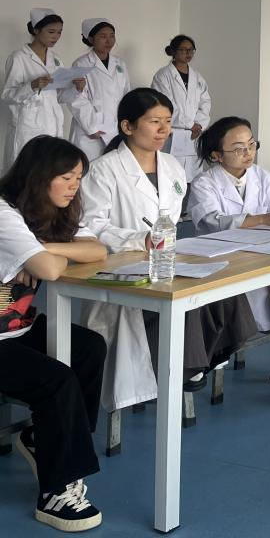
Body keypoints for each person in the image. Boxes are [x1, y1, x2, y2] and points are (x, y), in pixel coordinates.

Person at [78, 88, 256, 410]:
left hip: (165, 261)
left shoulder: (172, 166)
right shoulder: (104, 169)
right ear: (128, 126)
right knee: (182, 296)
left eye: (168, 121)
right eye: (154, 122)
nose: (164, 130)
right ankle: (187, 367)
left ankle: (202, 359)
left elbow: (171, 220)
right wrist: (140, 239)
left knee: (218, 284)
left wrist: (159, 243)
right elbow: (92, 227)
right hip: (120, 267)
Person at [0, 136, 108, 532]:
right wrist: (45, 256)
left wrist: (43, 247)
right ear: (39, 176)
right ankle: (56, 491)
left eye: (78, 178)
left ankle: (49, 442)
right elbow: (48, 270)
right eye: (66, 177)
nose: (74, 186)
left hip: (15, 328)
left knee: (89, 348)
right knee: (56, 380)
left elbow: (97, 249)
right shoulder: (3, 213)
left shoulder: (45, 216)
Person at [186, 117, 270, 409]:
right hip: (224, 264)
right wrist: (261, 219)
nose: (247, 153)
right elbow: (211, 223)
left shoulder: (262, 176)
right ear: (217, 155)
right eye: (238, 148)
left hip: (265, 256)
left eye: (251, 145)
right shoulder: (204, 183)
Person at [2, 10, 85, 170]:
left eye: (59, 32)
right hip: (28, 127)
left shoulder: (56, 59)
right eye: (51, 32)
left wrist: (76, 89)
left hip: (52, 125)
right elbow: (7, 95)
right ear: (36, 30)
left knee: (49, 173)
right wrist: (32, 86)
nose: (56, 37)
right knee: (26, 172)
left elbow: (58, 96)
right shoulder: (19, 58)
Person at [62, 19, 130, 161]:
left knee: (111, 168)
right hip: (90, 130)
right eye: (103, 36)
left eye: (112, 36)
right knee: (88, 168)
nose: (109, 41)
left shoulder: (120, 64)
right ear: (91, 39)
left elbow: (126, 94)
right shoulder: (81, 63)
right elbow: (77, 99)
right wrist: (91, 127)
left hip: (115, 128)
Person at [150, 35, 210, 182]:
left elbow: (205, 102)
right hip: (173, 134)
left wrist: (199, 124)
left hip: (194, 135)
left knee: (193, 180)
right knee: (171, 178)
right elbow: (165, 104)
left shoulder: (197, 77)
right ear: (173, 52)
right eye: (183, 50)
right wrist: (190, 124)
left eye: (191, 50)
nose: (187, 53)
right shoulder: (163, 76)